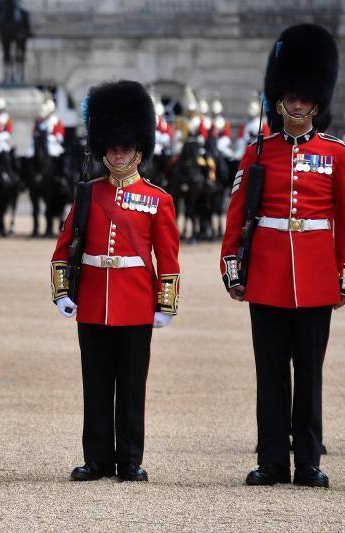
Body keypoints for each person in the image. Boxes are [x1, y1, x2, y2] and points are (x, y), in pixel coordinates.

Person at [220, 23, 342, 488]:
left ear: (315, 102)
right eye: (289, 97)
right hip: (268, 275)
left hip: (315, 278)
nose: (295, 105)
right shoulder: (258, 152)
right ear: (280, 98)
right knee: (270, 374)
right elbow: (237, 217)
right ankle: (272, 459)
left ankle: (308, 462)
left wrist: (344, 273)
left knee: (310, 376)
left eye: (303, 98)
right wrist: (232, 266)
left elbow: (342, 220)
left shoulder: (336, 155)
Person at [50, 80, 180, 483]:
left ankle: (130, 460)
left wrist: (166, 304)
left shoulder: (157, 199)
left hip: (136, 303)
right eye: (113, 147)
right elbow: (65, 247)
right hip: (92, 301)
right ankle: (97, 459)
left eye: (125, 147)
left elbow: (168, 257)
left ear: (139, 149)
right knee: (96, 386)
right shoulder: (88, 194)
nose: (119, 153)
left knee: (131, 389)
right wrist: (62, 293)